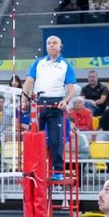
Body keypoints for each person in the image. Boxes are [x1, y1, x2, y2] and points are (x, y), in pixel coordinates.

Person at [23, 36, 76, 180]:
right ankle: (32, 170)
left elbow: (71, 89)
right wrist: (24, 99)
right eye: (49, 43)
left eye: (54, 43)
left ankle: (58, 171)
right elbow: (28, 82)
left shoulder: (66, 65)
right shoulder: (38, 63)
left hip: (56, 105)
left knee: (55, 140)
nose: (51, 45)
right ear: (46, 46)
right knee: (33, 138)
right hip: (38, 104)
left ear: (60, 46)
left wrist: (65, 101)